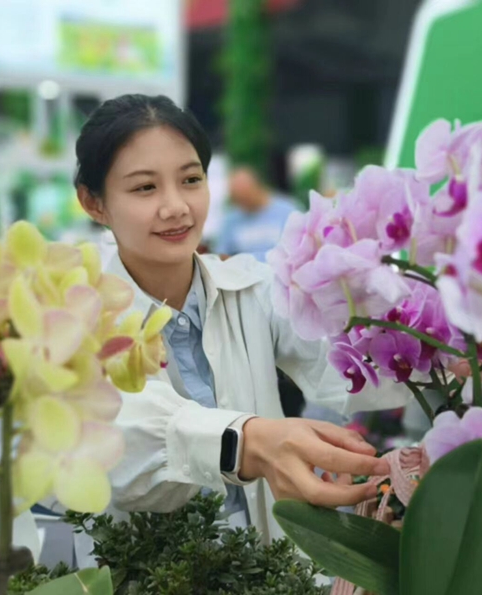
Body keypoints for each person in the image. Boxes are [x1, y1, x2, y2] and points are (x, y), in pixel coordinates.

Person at [74, 94, 409, 542]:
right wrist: (247, 442)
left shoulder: (253, 287)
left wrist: (435, 349)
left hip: (267, 566)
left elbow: (341, 361)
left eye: (191, 180)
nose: (176, 207)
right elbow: (120, 439)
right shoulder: (76, 313)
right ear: (93, 203)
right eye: (144, 188)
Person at [213, 166, 297, 263]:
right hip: (244, 275)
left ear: (258, 188)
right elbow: (221, 254)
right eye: (239, 199)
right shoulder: (230, 220)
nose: (243, 203)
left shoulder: (288, 211)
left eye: (246, 197)